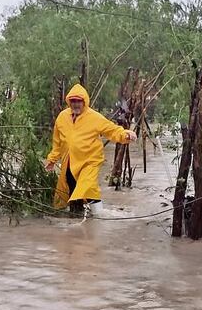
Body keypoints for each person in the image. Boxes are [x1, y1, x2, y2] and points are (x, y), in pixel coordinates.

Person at [44, 83, 136, 215]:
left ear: (84, 102)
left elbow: (112, 130)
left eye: (79, 101)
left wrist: (125, 134)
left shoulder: (94, 117)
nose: (76, 104)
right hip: (69, 161)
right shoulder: (62, 117)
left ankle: (99, 217)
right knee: (71, 185)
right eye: (73, 101)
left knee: (88, 186)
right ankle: (76, 215)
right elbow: (57, 143)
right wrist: (51, 160)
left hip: (89, 161)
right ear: (69, 102)